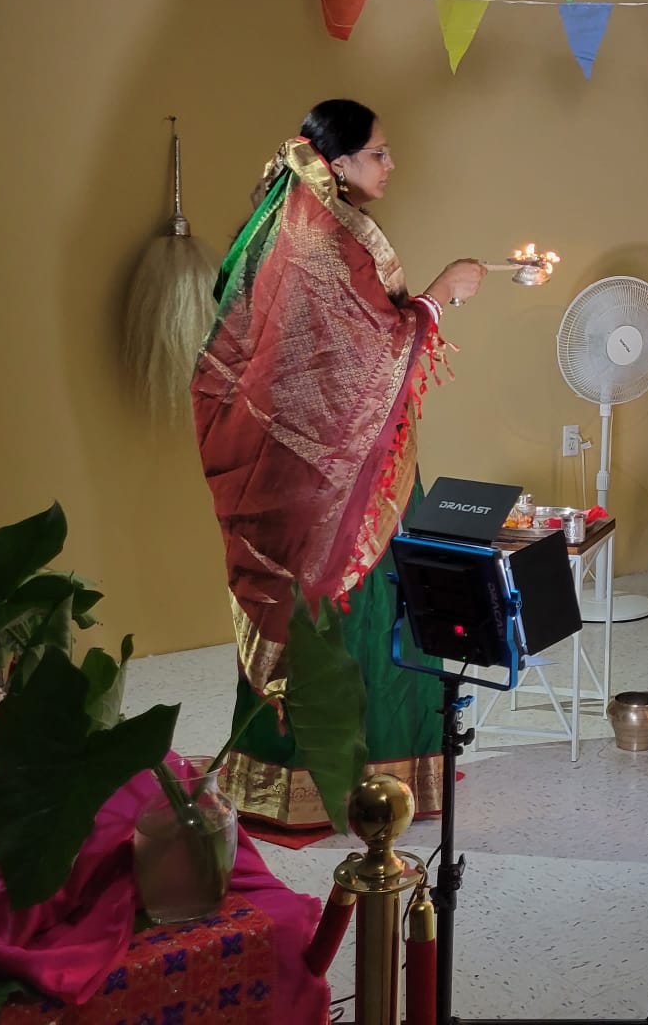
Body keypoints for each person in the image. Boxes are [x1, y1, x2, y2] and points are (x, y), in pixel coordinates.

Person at [192, 99, 485, 828]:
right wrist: (440, 295)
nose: (391, 164)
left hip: (329, 460)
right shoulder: (319, 234)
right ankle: (347, 783)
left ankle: (352, 776)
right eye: (378, 153)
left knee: (351, 612)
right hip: (333, 476)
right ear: (339, 161)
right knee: (361, 613)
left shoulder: (298, 219)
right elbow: (368, 349)